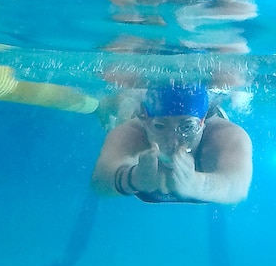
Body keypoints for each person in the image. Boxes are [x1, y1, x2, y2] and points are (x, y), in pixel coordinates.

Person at [92, 84, 252, 204]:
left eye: (187, 127)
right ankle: (102, 106)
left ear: (203, 122)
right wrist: (135, 178)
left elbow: (238, 187)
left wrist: (196, 183)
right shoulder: (133, 132)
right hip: (135, 114)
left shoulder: (224, 136)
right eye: (160, 126)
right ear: (145, 122)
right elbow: (99, 181)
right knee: (123, 103)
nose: (173, 140)